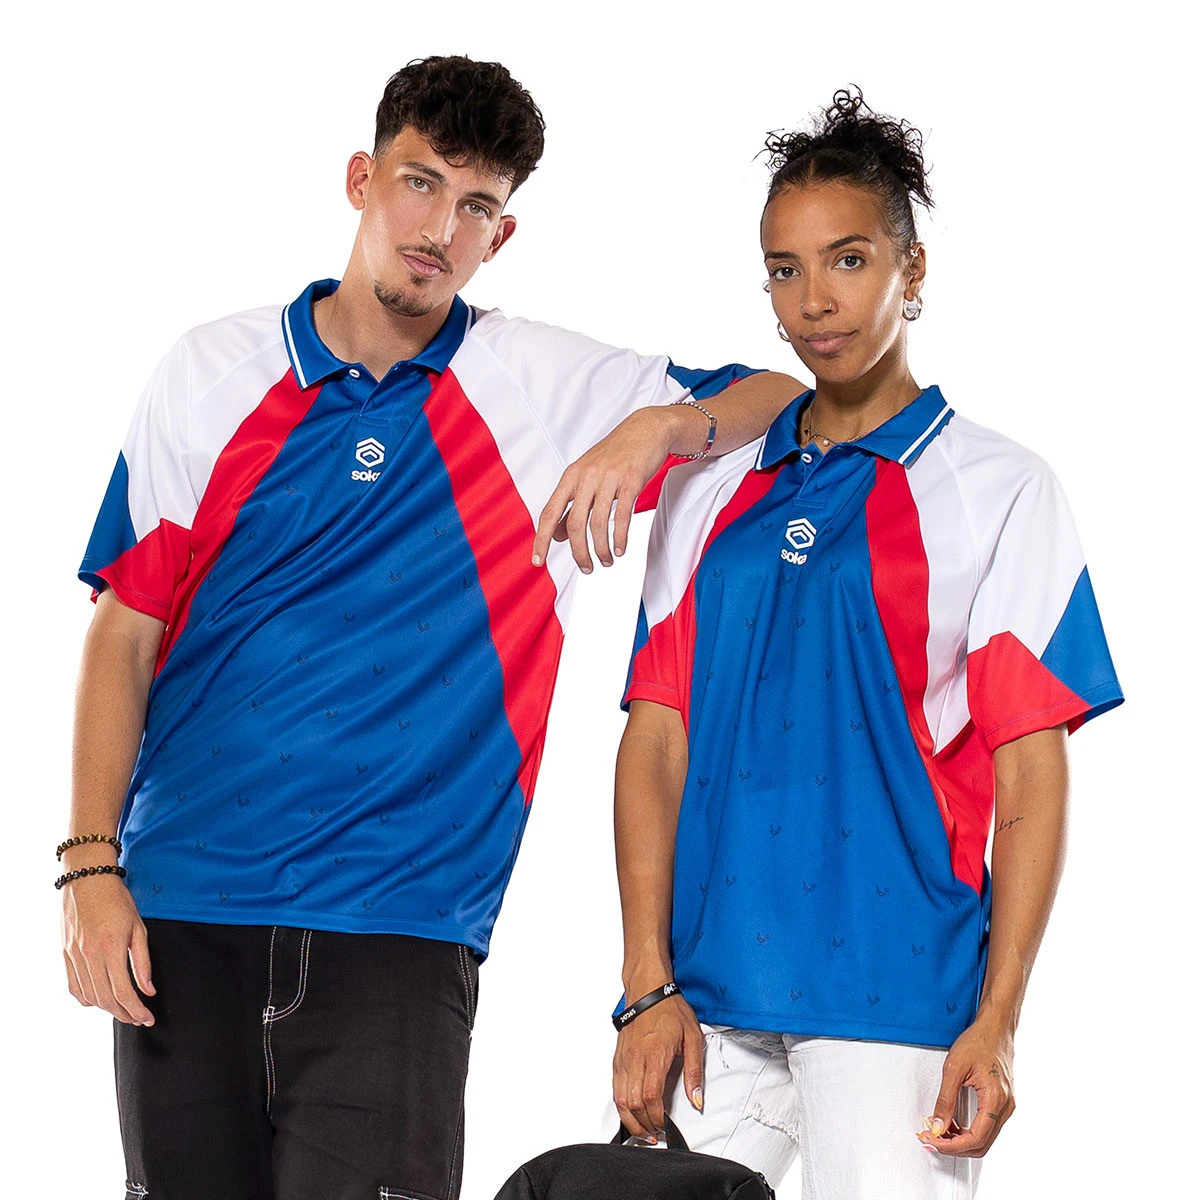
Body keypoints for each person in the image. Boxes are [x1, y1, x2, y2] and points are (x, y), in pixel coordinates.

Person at [60, 56, 801, 1200]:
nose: (440, 229)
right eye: (420, 184)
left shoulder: (539, 385)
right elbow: (127, 628)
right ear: (361, 179)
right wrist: (89, 865)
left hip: (402, 924)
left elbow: (780, 398)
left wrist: (655, 427)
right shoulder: (210, 370)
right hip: (183, 904)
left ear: (501, 235)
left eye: (475, 206)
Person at [610, 89, 1123, 1199]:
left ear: (912, 268)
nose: (814, 301)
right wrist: (645, 981)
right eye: (784, 270)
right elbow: (656, 740)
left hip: (898, 999)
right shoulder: (706, 490)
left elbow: (1030, 770)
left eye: (848, 260)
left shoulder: (1000, 489)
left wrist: (999, 1020)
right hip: (707, 1001)